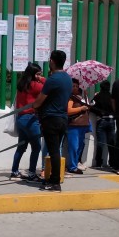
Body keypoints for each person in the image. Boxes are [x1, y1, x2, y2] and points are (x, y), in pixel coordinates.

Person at [30, 50, 72, 192]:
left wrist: (34, 106)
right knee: (56, 151)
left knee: (53, 151)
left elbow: (39, 101)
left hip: (51, 119)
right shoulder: (67, 78)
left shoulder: (53, 79)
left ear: (52, 61)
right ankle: (54, 179)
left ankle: (54, 182)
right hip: (63, 118)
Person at [10, 63, 44, 180]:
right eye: (38, 74)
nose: (40, 76)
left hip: (21, 118)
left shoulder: (21, 85)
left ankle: (14, 171)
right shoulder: (35, 85)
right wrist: (41, 79)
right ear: (33, 74)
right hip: (30, 118)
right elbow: (49, 85)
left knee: (21, 147)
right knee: (36, 147)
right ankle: (32, 173)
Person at [66, 78, 91, 174]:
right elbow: (68, 110)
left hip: (83, 124)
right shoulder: (71, 97)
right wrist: (81, 108)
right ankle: (72, 166)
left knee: (80, 146)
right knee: (74, 146)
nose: (75, 88)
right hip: (74, 125)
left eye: (77, 86)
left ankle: (75, 164)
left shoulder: (82, 96)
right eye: (73, 86)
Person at [89, 80, 115, 169]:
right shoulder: (112, 97)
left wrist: (99, 113)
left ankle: (99, 163)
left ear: (101, 87)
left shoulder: (98, 96)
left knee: (100, 143)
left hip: (101, 120)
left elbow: (91, 106)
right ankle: (112, 162)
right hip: (111, 120)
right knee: (111, 143)